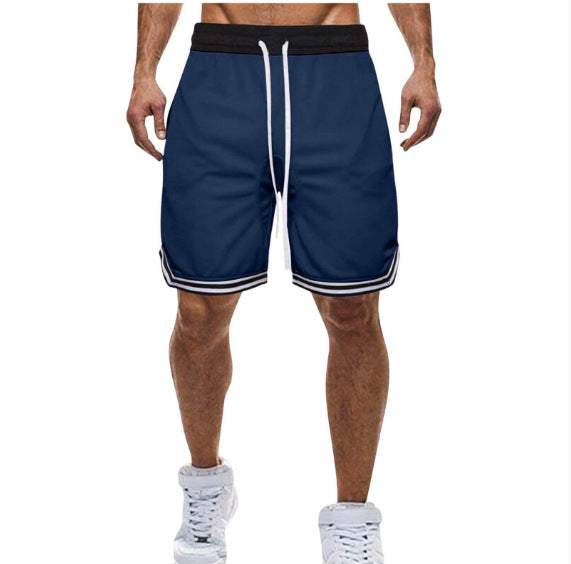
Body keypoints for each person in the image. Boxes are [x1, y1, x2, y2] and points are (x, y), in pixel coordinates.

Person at [127, 3, 441, 563]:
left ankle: (352, 522)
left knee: (352, 309)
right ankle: (206, 487)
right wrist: (144, 70)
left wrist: (424, 62)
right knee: (199, 310)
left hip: (334, 74)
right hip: (222, 70)